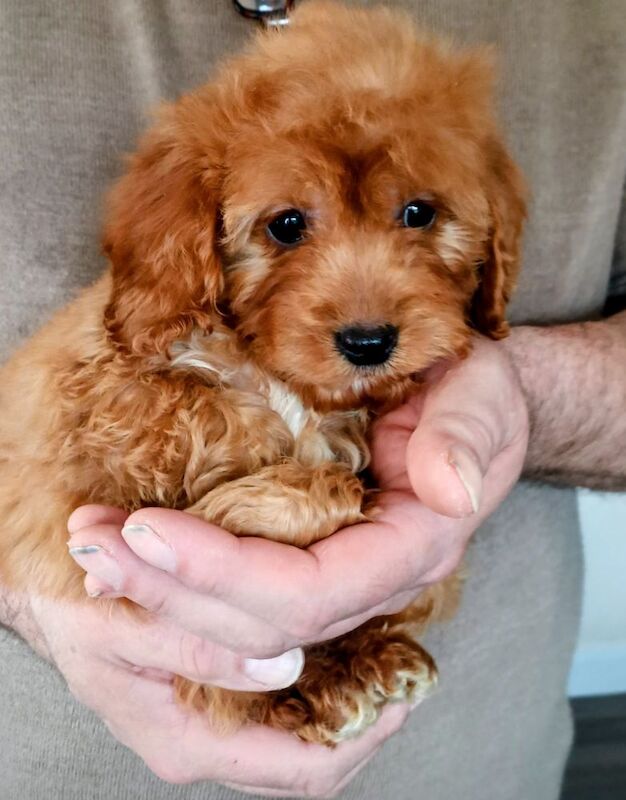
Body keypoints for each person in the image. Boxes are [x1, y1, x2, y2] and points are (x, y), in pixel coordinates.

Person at [0, 1, 624, 798]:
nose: (366, 315)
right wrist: (29, 588)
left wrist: (528, 387)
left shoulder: (591, 21)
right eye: (288, 227)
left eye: (417, 215)